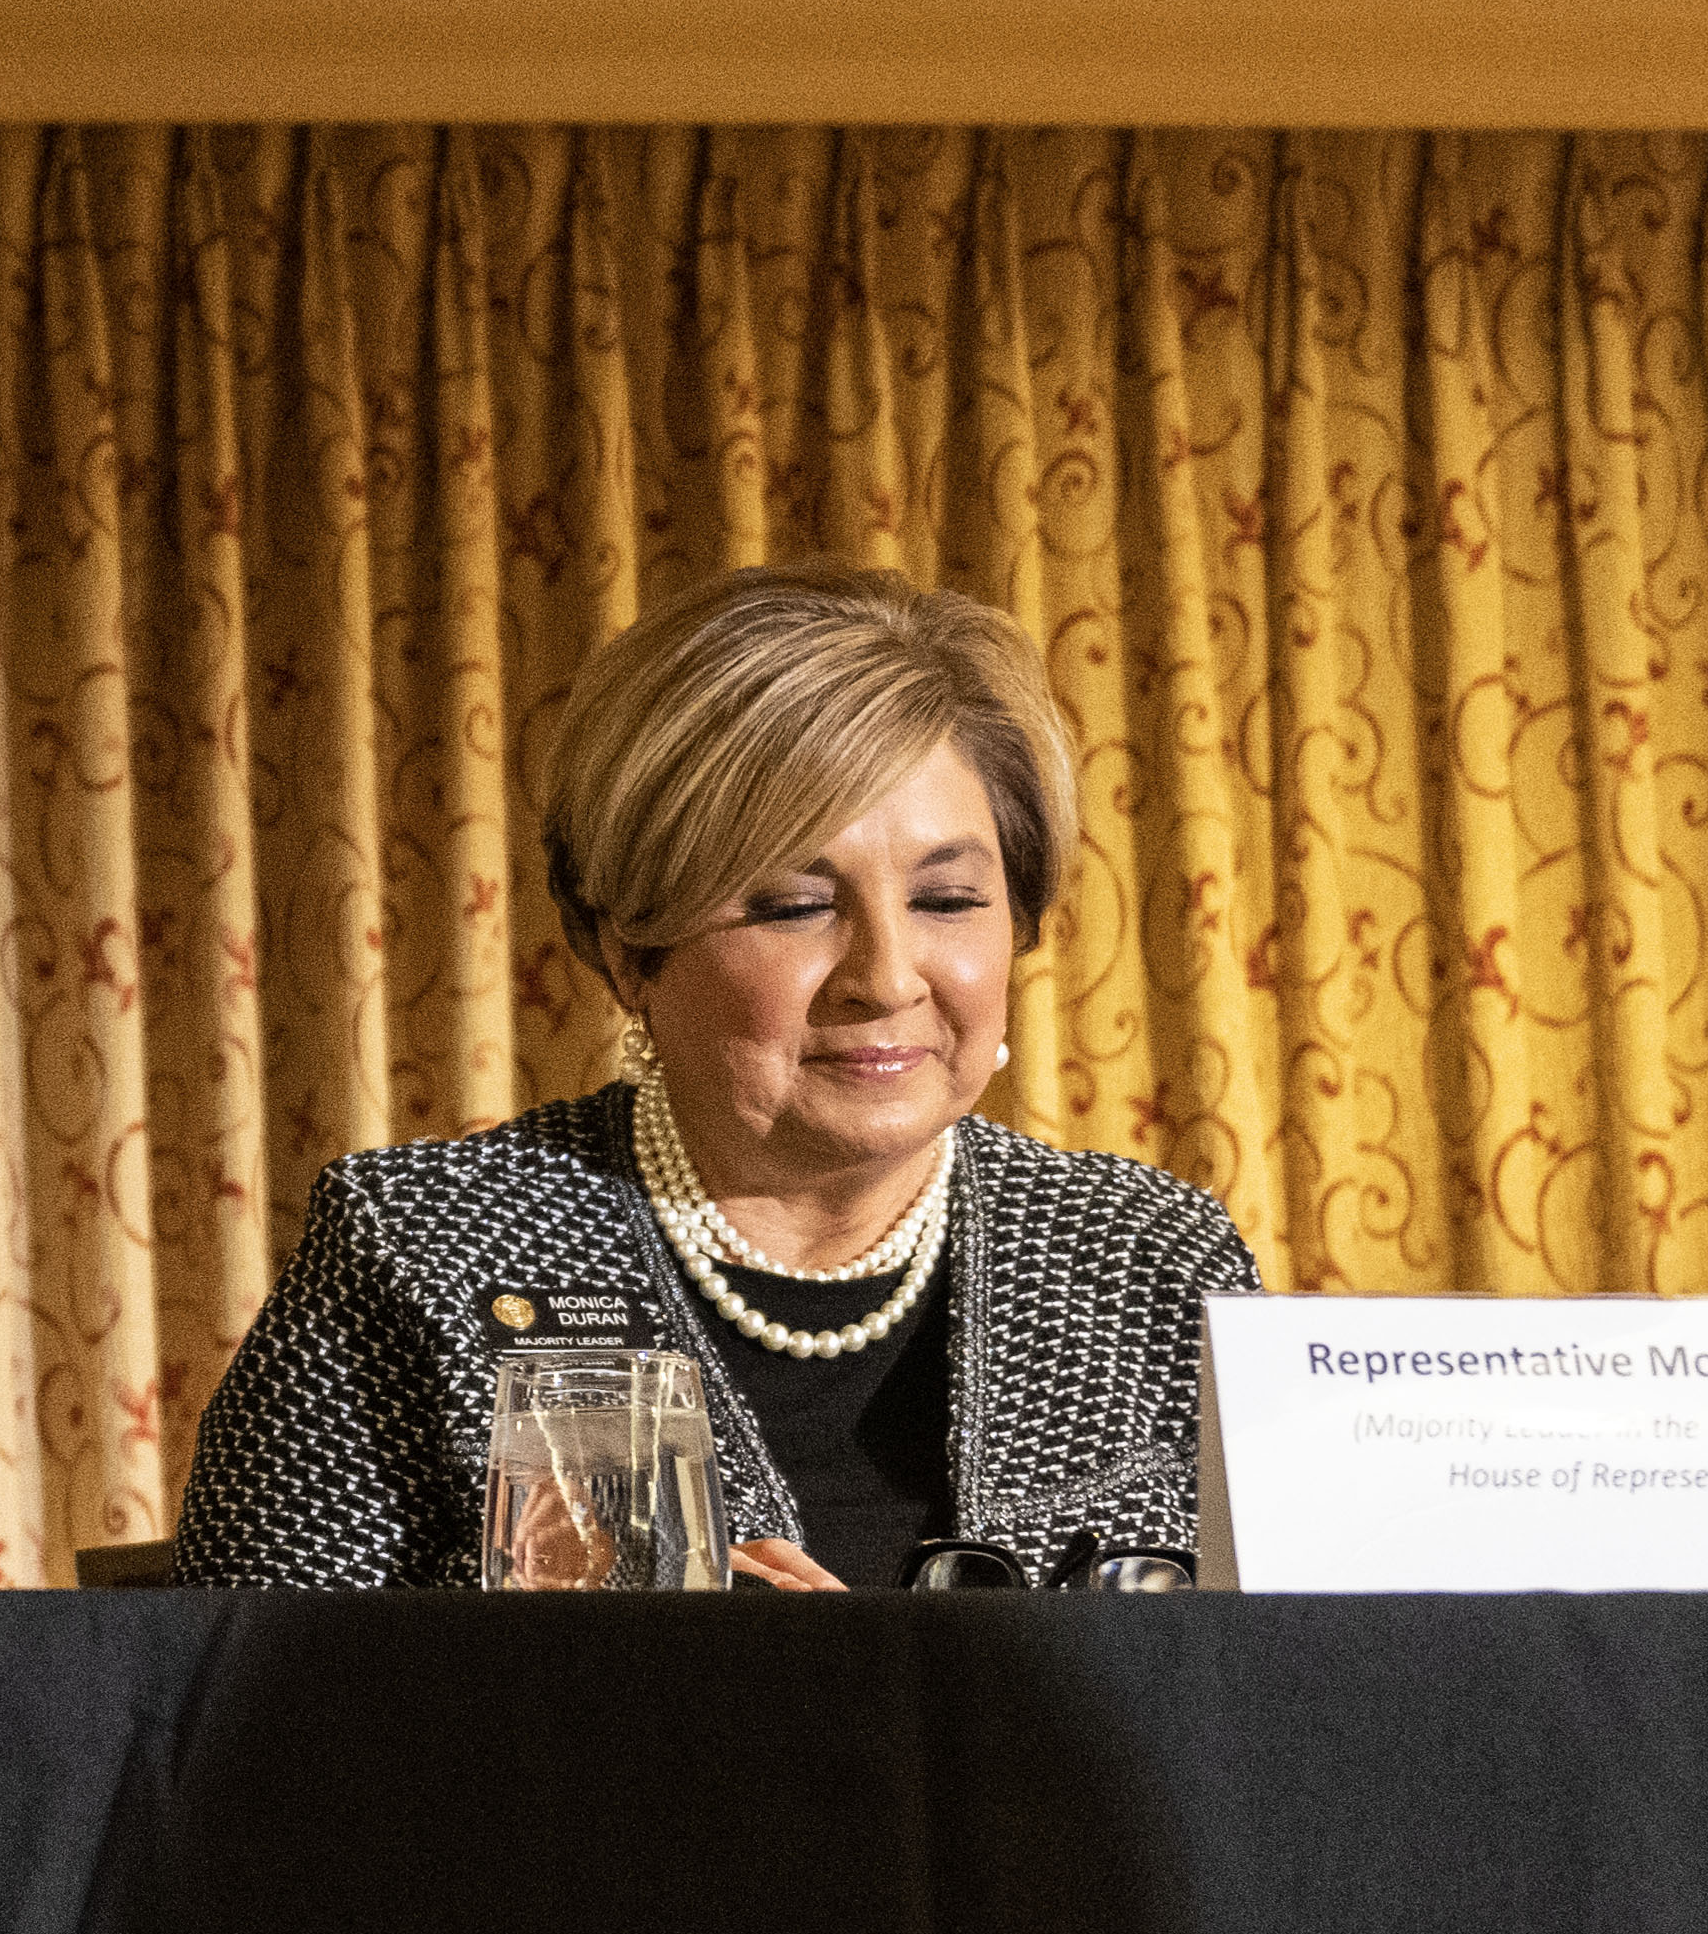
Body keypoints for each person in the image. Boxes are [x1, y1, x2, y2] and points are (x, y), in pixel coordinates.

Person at [171, 559, 1251, 1590]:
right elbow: (231, 1721)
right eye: (791, 905)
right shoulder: (425, 1252)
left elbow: (1290, 1704)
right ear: (628, 950)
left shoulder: (1152, 1264)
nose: (884, 977)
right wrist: (623, 1682)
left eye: (945, 899)